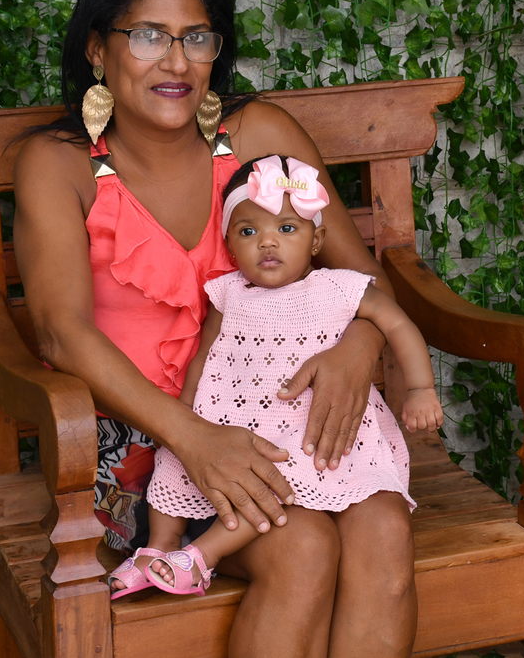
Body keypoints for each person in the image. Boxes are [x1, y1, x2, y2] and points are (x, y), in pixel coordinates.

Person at [13, 0, 421, 656]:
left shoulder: (258, 136)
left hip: (288, 419)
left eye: (196, 38)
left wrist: (358, 349)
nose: (176, 62)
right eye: (148, 36)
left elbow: (364, 281)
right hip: (142, 444)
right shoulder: (60, 163)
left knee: (385, 529)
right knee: (303, 547)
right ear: (98, 51)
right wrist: (195, 438)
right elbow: (60, 334)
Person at [122, 153, 443, 595]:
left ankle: (201, 557)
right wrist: (187, 414)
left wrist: (421, 388)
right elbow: (204, 358)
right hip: (236, 426)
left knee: (273, 477)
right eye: (248, 232)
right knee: (172, 462)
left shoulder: (338, 287)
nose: (267, 242)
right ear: (230, 244)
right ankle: (158, 547)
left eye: (287, 229)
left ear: (316, 240)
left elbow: (398, 324)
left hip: (307, 432)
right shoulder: (228, 294)